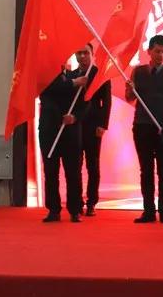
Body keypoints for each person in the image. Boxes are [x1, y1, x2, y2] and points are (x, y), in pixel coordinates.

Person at [126, 35, 163, 224]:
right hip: (142, 126)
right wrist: (130, 88)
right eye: (157, 51)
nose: (160, 55)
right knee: (146, 170)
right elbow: (129, 98)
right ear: (149, 52)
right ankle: (149, 211)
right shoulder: (138, 72)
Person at [39, 58, 88, 223]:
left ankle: (75, 209)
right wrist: (73, 83)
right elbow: (51, 90)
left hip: (70, 132)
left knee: (73, 172)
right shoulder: (45, 78)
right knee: (50, 172)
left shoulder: (75, 76)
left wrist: (74, 117)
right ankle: (53, 210)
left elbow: (85, 103)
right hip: (49, 131)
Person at [75, 44, 111, 217]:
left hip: (94, 125)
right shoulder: (72, 75)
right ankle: (77, 202)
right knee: (75, 164)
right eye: (79, 53)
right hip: (75, 125)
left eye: (85, 53)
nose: (82, 56)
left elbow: (107, 102)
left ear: (92, 54)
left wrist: (103, 124)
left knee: (92, 165)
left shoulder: (100, 74)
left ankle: (91, 202)